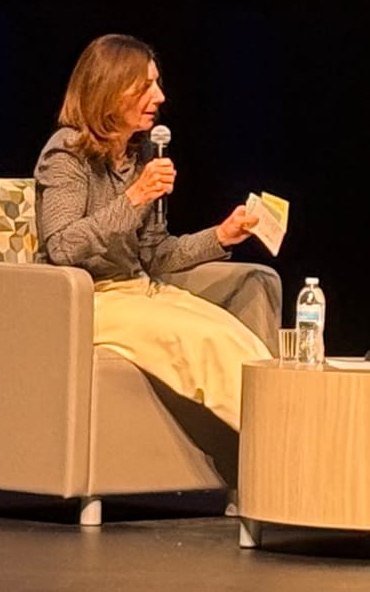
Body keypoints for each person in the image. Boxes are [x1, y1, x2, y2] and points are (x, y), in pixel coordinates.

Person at [35, 33, 269, 430]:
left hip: (138, 288)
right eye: (145, 86)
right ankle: (272, 444)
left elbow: (156, 255)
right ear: (110, 91)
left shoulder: (142, 153)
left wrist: (222, 235)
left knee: (234, 336)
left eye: (157, 84)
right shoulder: (67, 152)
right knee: (203, 340)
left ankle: (279, 437)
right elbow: (61, 246)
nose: (159, 97)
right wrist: (135, 197)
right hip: (88, 299)